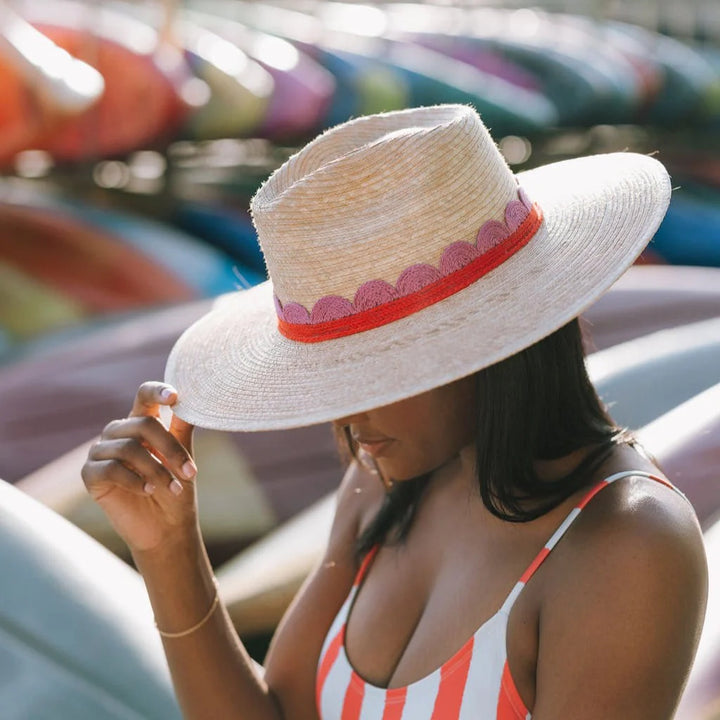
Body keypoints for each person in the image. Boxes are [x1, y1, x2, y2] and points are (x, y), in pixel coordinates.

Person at [82, 105, 707, 719]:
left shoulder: (628, 542)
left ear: (485, 337)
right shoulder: (381, 482)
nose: (347, 415)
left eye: (374, 370)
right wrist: (166, 548)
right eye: (334, 373)